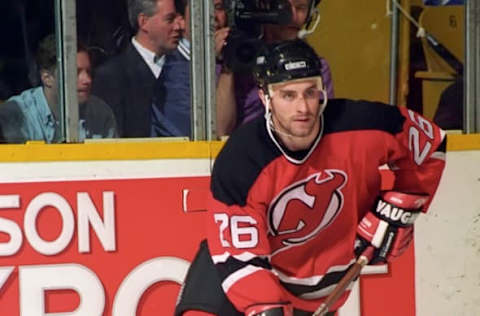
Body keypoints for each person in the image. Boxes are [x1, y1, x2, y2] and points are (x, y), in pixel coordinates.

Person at [174, 39, 447, 316]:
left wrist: (400, 206)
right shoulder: (242, 158)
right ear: (265, 98)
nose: (302, 108)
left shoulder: (363, 123)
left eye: (310, 92)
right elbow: (240, 256)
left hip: (318, 283)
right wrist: (268, 309)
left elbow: (431, 142)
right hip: (242, 270)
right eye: (288, 96)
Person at [216, 0, 334, 137]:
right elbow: (220, 131)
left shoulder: (317, 67)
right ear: (263, 7)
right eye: (284, 8)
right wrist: (229, 64)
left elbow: (318, 131)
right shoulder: (231, 57)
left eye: (301, 8)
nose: (293, 17)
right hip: (243, 153)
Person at [0, 34, 117, 143]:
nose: (87, 80)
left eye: (89, 72)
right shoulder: (18, 114)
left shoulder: (101, 114)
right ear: (47, 78)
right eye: (75, 73)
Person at [91, 0, 182, 137]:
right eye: (169, 19)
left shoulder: (184, 69)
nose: (178, 26)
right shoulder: (111, 76)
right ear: (144, 22)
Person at [150, 0, 228, 137]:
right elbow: (216, 133)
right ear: (181, 20)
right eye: (206, 9)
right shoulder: (172, 72)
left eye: (218, 8)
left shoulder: (237, 59)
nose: (213, 16)